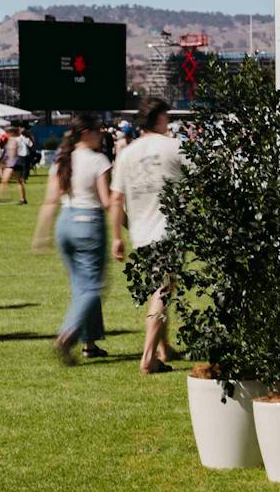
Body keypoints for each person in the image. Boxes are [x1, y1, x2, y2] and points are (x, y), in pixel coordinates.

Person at [111, 98, 184, 375]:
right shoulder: (174, 146)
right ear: (159, 118)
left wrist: (117, 236)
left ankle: (164, 348)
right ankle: (149, 357)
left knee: (161, 288)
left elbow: (116, 199)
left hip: (140, 234)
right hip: (169, 230)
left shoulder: (127, 153)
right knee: (163, 291)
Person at [33, 114, 112, 363]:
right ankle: (66, 336)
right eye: (98, 130)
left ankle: (89, 343)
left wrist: (41, 234)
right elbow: (107, 201)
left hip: (65, 223)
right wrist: (127, 223)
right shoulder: (99, 160)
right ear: (86, 133)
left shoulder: (62, 160)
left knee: (81, 286)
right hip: (89, 224)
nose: (101, 134)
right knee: (92, 287)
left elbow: (50, 201)